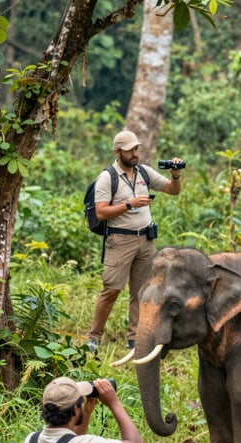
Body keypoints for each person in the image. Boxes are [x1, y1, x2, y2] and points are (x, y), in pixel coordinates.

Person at [87, 129, 185, 354]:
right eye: (129, 150)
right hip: (120, 240)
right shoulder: (107, 178)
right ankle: (94, 337)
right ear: (117, 152)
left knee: (141, 292)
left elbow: (173, 191)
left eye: (136, 149)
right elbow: (101, 212)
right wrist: (130, 204)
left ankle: (134, 338)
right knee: (111, 290)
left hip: (146, 240)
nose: (134, 153)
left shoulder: (144, 172)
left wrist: (176, 175)